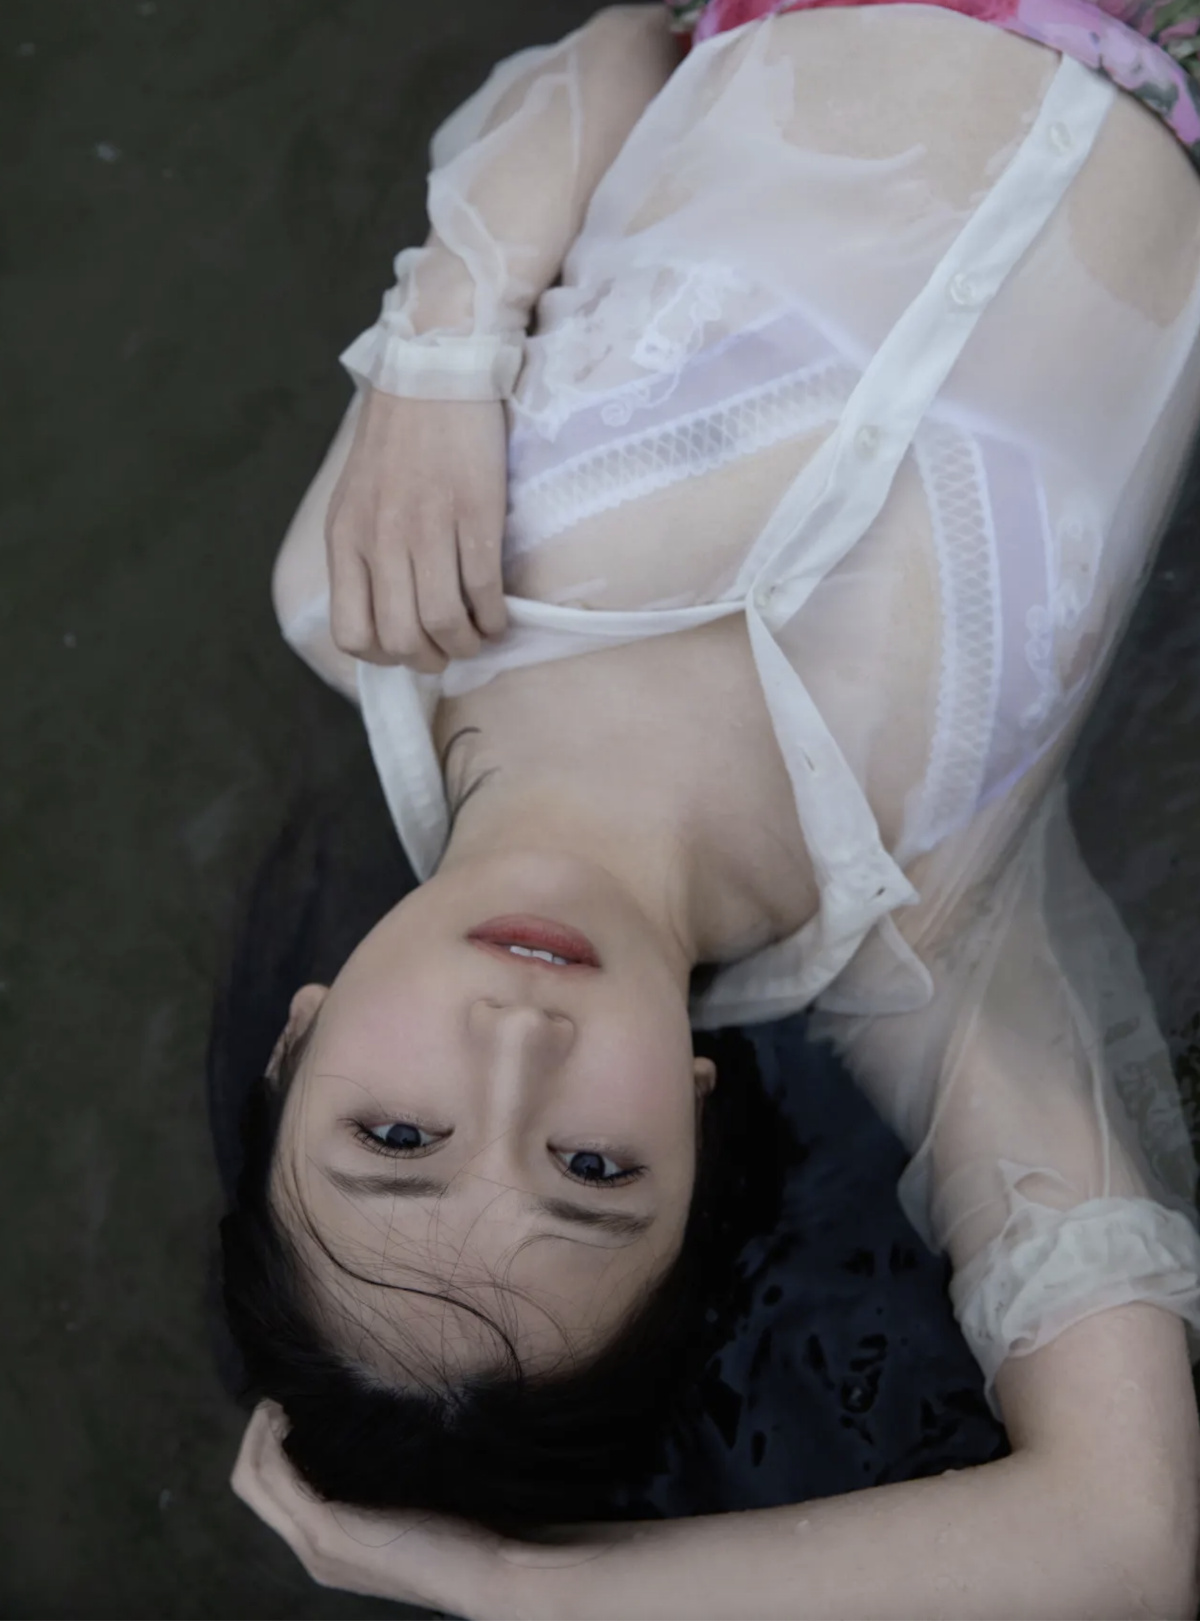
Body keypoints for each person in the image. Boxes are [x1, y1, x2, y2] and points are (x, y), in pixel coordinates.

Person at [224, 0, 1200, 1611]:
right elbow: (1129, 1534)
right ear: (689, 1120)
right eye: (593, 1169)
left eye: (396, 1136)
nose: (517, 1047)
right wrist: (515, 1586)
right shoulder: (933, 936)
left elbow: (626, 49)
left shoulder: (369, 598)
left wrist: (442, 333)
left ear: (298, 1044)